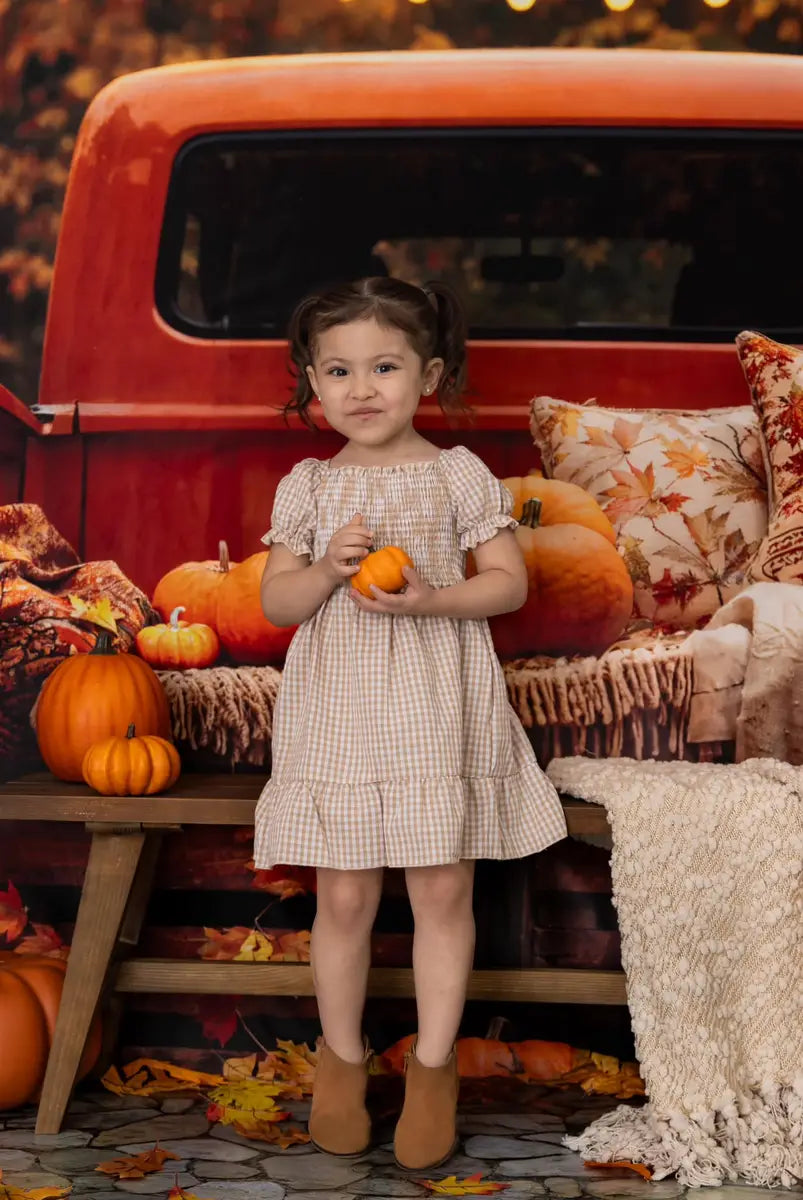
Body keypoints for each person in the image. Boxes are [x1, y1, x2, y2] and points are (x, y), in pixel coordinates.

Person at [254, 277, 567, 1170]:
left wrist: (430, 598)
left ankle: (433, 1070)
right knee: (345, 897)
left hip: (436, 705)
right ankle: (341, 1063)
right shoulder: (308, 486)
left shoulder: (456, 472)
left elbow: (507, 582)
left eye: (384, 366)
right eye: (338, 371)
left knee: (439, 891)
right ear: (311, 385)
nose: (361, 389)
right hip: (341, 711)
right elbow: (276, 603)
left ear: (427, 373)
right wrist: (323, 571)